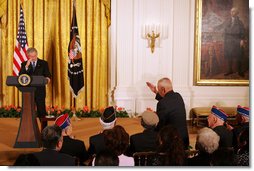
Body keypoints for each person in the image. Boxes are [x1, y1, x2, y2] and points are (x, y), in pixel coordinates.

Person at [146, 78, 189, 149]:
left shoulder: (162, 104)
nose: (159, 91)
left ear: (163, 89)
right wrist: (156, 92)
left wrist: (152, 116)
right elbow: (168, 103)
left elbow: (159, 125)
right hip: (184, 140)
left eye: (159, 90)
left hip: (173, 143)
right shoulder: (178, 96)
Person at [19, 47, 51, 130]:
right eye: (32, 56)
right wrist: (26, 66)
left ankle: (44, 130)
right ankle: (29, 130)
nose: (34, 58)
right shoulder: (24, 64)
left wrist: (47, 79)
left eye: (35, 56)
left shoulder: (43, 63)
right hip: (28, 92)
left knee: (41, 111)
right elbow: (21, 76)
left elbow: (47, 74)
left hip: (40, 91)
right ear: (28, 56)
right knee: (29, 111)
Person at [216, 7, 245, 77]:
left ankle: (239, 71)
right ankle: (230, 70)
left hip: (237, 40)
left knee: (239, 56)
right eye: (231, 11)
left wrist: (242, 40)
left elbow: (242, 32)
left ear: (237, 13)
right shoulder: (227, 21)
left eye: (234, 11)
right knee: (229, 55)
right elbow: (223, 28)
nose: (232, 13)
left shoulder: (240, 22)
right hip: (228, 40)